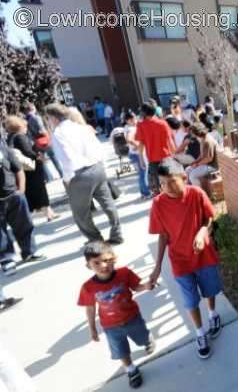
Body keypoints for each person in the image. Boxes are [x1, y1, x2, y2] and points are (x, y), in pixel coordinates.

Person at [148, 159, 223, 359]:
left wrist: (201, 233)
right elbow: (162, 236)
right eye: (162, 183)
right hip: (180, 260)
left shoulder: (197, 194)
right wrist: (157, 268)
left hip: (204, 255)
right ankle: (200, 333)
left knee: (210, 291)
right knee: (190, 300)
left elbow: (209, 218)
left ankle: (213, 314)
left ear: (184, 177)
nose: (167, 187)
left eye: (172, 181)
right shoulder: (157, 204)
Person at [77, 241, 155, 389]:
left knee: (142, 338)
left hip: (132, 318)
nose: (103, 266)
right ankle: (131, 370)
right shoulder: (88, 287)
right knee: (121, 351)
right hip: (110, 326)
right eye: (96, 263)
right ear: (88, 266)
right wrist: (92, 328)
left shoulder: (124, 273)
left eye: (106, 260)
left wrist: (146, 286)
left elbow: (136, 287)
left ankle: (147, 340)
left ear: (114, 258)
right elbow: (90, 308)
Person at [46, 103, 123, 244]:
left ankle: (95, 239)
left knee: (81, 213)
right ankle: (117, 234)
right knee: (108, 204)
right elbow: (98, 147)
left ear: (53, 118)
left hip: (79, 174)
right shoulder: (81, 127)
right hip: (97, 168)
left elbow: (66, 158)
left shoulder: (58, 133)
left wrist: (67, 178)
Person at [0, 141, 45, 276]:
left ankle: (29, 252)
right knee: (1, 234)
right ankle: (6, 259)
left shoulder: (3, 148)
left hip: (13, 195)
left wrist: (21, 190)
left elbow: (18, 169)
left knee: (24, 225)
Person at [5, 116, 58, 221]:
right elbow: (28, 151)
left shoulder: (10, 137)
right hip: (32, 168)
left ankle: (45, 212)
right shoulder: (19, 136)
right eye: (25, 126)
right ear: (18, 126)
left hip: (24, 170)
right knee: (40, 189)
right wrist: (39, 156)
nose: (26, 128)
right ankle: (49, 213)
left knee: (31, 191)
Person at [135, 103, 176, 195]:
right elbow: (170, 141)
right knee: (170, 182)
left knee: (159, 185)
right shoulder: (163, 123)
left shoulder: (141, 125)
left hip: (152, 160)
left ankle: (164, 203)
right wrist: (175, 156)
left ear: (144, 113)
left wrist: (141, 159)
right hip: (166, 157)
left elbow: (141, 144)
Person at [20, 102, 64, 180]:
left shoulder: (26, 120)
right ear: (32, 108)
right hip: (44, 139)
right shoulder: (36, 117)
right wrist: (49, 137)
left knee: (41, 160)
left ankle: (48, 178)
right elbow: (41, 130)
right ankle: (62, 173)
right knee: (53, 157)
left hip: (36, 142)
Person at [123, 112, 151, 199]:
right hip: (136, 154)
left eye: (134, 118)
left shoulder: (127, 127)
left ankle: (144, 192)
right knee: (143, 173)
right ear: (127, 121)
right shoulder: (131, 128)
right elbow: (129, 139)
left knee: (141, 174)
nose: (134, 120)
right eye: (131, 119)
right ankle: (145, 193)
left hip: (133, 153)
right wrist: (138, 145)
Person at [187, 123, 218, 188]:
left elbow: (209, 158)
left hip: (212, 166)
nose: (191, 134)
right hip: (206, 164)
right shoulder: (202, 139)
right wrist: (195, 162)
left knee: (193, 175)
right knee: (188, 170)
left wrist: (197, 164)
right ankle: (190, 190)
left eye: (192, 133)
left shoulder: (207, 141)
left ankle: (199, 194)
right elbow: (201, 155)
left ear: (196, 132)